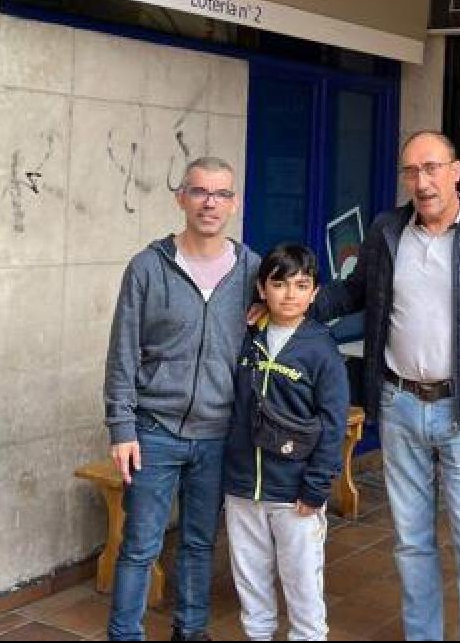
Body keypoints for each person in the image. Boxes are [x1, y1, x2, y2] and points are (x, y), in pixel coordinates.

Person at [311, 130, 460, 641]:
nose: (422, 181)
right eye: (411, 171)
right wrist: (290, 301)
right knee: (411, 543)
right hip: (400, 403)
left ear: (456, 171)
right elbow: (356, 292)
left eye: (432, 168)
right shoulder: (388, 229)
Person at [103, 156, 261, 642]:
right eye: (199, 192)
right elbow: (123, 351)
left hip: (219, 433)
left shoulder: (253, 269)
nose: (210, 203)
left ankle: (190, 630)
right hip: (155, 431)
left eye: (221, 194)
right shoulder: (149, 267)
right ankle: (124, 634)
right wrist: (122, 428)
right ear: (181, 198)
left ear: (233, 203)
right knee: (140, 546)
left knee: (198, 543)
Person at [223, 244, 349, 642]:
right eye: (278, 284)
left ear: (314, 293)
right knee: (251, 584)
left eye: (301, 285)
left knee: (303, 588)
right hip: (243, 486)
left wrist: (316, 487)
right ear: (262, 288)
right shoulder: (248, 336)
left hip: (294, 492)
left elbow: (333, 424)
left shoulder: (321, 349)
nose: (289, 294)